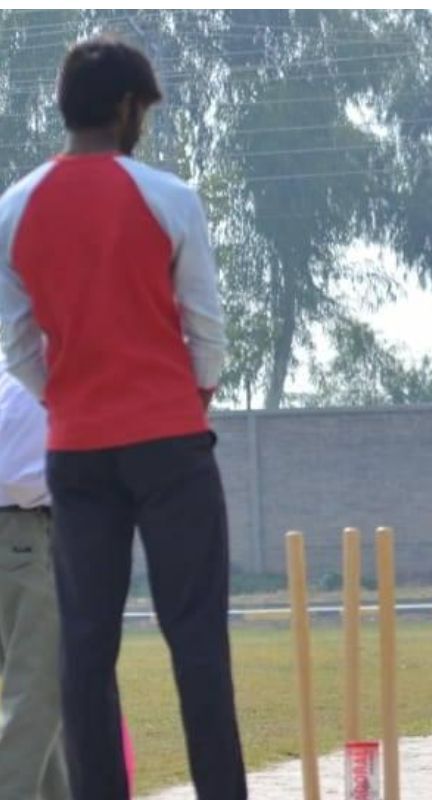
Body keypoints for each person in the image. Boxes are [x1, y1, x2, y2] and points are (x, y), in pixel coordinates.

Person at [0, 37, 247, 799]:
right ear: (128, 106)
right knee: (196, 640)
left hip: (77, 452)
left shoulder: (13, 207)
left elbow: (19, 343)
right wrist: (194, 397)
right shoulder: (167, 196)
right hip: (169, 441)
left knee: (84, 648)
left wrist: (65, 401)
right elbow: (204, 325)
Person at [0, 367, 70, 799]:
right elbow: (18, 475)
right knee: (39, 693)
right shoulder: (43, 378)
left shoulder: (14, 374)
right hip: (27, 532)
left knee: (44, 699)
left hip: (17, 538)